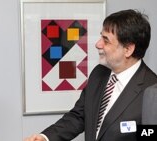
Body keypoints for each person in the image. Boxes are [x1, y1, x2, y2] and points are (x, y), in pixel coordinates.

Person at [24, 9, 157, 141]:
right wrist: (45, 138)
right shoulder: (99, 73)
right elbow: (79, 116)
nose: (98, 44)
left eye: (106, 40)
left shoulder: (152, 91)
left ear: (128, 49)